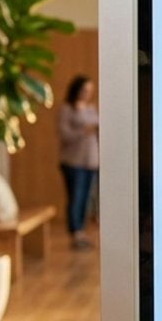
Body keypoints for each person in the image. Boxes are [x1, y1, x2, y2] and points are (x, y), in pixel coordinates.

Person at [58, 74, 99, 250]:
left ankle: (82, 232)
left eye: (90, 90)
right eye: (84, 90)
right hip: (73, 163)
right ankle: (75, 233)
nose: (87, 93)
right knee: (75, 198)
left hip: (91, 162)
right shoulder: (67, 110)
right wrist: (84, 130)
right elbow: (64, 134)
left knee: (86, 200)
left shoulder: (91, 109)